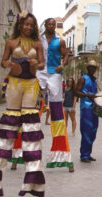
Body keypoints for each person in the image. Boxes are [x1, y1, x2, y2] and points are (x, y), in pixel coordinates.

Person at [0, 11, 46, 197]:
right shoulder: (11, 42)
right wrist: (9, 64)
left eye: (31, 25)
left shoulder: (37, 45)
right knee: (5, 132)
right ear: (20, 25)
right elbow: (3, 61)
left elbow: (42, 63)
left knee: (32, 134)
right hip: (15, 85)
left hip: (30, 85)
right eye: (26, 24)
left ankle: (36, 187)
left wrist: (36, 64)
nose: (28, 27)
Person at [36, 17, 73, 172]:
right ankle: (21, 151)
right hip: (40, 72)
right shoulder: (38, 39)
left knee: (57, 110)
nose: (51, 26)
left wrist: (62, 65)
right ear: (45, 25)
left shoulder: (61, 41)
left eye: (53, 24)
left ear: (55, 26)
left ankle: (61, 153)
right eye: (48, 24)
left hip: (54, 73)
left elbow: (66, 56)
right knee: (32, 106)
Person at [74, 60, 101, 163]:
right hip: (86, 108)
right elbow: (76, 91)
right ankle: (84, 155)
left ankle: (88, 153)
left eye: (94, 68)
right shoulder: (83, 78)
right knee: (86, 131)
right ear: (87, 68)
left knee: (93, 131)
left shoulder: (94, 80)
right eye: (91, 67)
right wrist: (87, 95)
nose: (92, 69)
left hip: (94, 108)